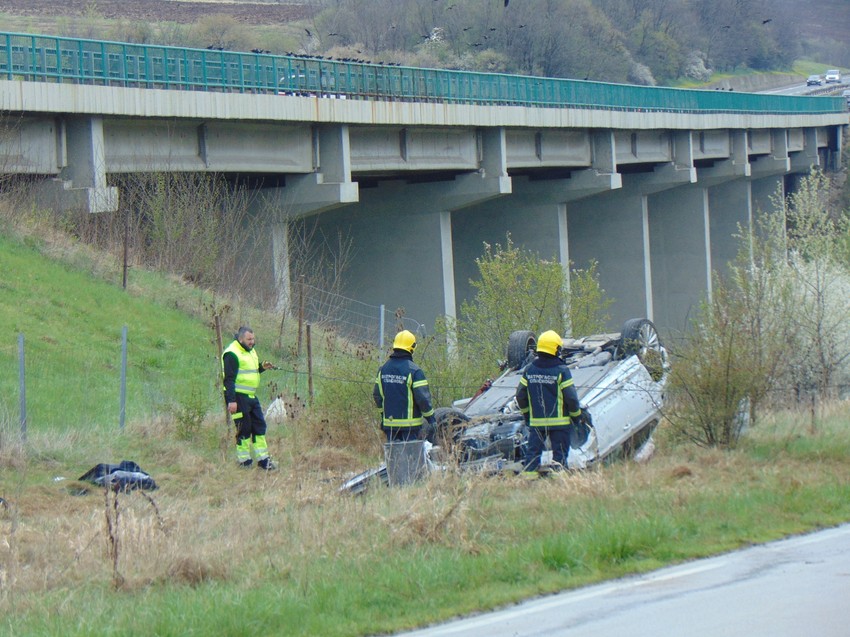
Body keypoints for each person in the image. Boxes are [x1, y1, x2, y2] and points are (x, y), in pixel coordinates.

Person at [514, 330, 584, 477]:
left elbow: (520, 395)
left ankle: (528, 481)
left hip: (537, 424)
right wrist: (576, 416)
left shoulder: (530, 369)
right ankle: (558, 483)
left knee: (532, 456)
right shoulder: (561, 370)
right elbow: (571, 397)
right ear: (556, 349)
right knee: (559, 458)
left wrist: (527, 415)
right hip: (560, 424)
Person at [222, 326, 278, 470]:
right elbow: (228, 380)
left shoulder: (250, 350)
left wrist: (262, 367)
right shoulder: (232, 354)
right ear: (240, 339)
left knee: (260, 426)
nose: (252, 342)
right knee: (244, 429)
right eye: (249, 339)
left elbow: (248, 372)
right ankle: (244, 461)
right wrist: (231, 401)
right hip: (238, 398)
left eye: (253, 339)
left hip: (251, 397)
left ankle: (263, 461)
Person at [373, 330, 437, 442]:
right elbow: (423, 399)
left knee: (394, 457)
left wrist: (384, 415)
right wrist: (431, 419)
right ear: (412, 347)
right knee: (411, 457)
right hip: (411, 428)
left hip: (390, 425)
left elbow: (377, 395)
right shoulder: (414, 371)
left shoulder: (383, 369)